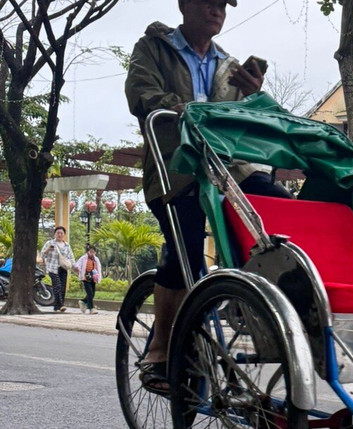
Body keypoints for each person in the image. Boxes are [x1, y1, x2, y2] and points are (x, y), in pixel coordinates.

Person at [125, 0, 289, 392]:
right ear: (185, 5)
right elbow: (141, 94)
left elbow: (241, 122)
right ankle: (160, 350)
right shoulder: (153, 48)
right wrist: (181, 108)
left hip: (227, 168)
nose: (217, 11)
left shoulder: (226, 64)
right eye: (209, 3)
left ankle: (247, 302)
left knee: (279, 206)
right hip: (175, 168)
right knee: (186, 246)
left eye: (222, 5)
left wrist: (252, 94)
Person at [41, 226, 75, 312]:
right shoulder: (50, 243)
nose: (59, 235)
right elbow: (42, 255)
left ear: (64, 234)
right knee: (57, 285)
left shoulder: (67, 245)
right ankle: (61, 305)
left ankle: (56, 307)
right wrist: (48, 250)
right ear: (54, 234)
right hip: (53, 268)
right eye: (58, 233)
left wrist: (74, 266)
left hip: (63, 268)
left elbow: (71, 257)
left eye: (61, 233)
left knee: (62, 287)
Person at [74, 246, 102, 314]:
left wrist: (98, 277)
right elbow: (77, 264)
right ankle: (91, 308)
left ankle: (83, 301)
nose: (92, 253)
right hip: (85, 277)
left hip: (93, 277)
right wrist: (77, 268)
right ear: (87, 252)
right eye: (90, 252)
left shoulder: (96, 259)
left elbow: (99, 267)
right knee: (90, 293)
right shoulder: (83, 258)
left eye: (93, 252)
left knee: (92, 294)